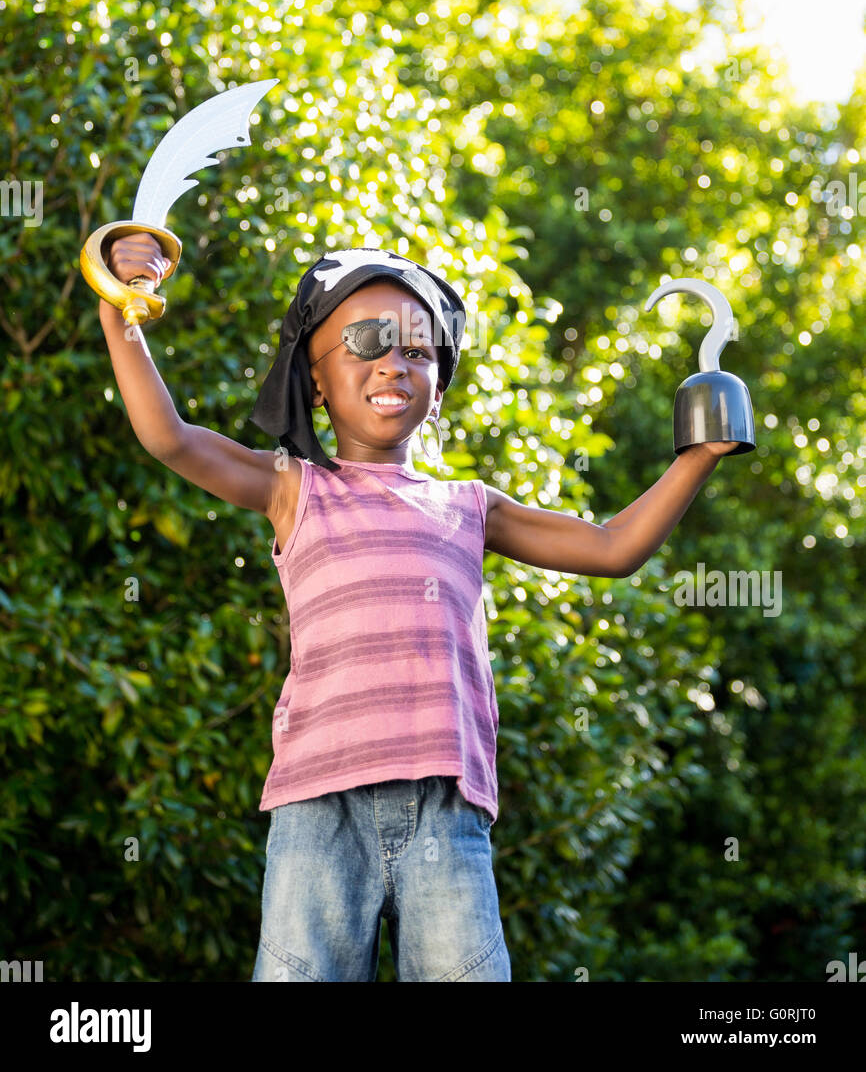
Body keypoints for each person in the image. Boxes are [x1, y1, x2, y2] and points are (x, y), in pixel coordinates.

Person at [99, 238, 737, 982]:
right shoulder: (294, 489)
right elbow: (167, 437)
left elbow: (610, 545)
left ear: (439, 380)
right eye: (366, 342)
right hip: (317, 807)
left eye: (419, 350)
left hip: (447, 807)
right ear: (314, 376)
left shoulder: (468, 506)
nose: (394, 364)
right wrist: (124, 312)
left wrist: (698, 455)